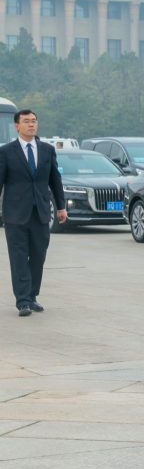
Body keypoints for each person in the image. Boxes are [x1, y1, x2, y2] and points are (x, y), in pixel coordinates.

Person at [0, 109, 66, 317]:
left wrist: (62, 206)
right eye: (26, 121)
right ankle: (23, 301)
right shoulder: (6, 152)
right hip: (15, 214)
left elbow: (55, 180)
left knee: (38, 256)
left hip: (41, 212)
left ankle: (32, 295)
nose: (31, 125)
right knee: (19, 257)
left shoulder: (47, 150)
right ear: (16, 126)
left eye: (34, 121)